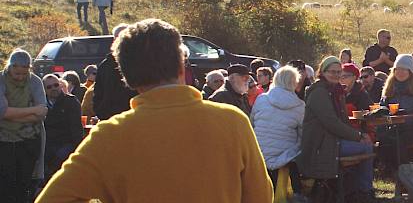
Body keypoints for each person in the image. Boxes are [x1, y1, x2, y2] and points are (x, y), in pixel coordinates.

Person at [36, 18, 273, 202]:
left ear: (126, 77)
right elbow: (261, 196)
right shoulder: (232, 122)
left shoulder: (109, 135)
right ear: (182, 65)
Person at [297, 56, 374, 202]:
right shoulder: (319, 92)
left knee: (366, 143)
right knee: (366, 147)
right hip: (321, 145)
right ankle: (364, 192)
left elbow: (342, 122)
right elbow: (331, 122)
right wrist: (358, 136)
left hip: (332, 140)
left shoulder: (336, 91)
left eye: (339, 72)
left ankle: (357, 190)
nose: (336, 75)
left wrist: (358, 135)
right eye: (332, 72)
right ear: (323, 72)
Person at [251, 66, 305, 201]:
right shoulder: (300, 106)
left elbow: (252, 123)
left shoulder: (261, 99)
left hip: (259, 153)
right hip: (285, 157)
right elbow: (303, 135)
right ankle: (297, 194)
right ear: (294, 82)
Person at [1, 50, 48, 202]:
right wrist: (33, 111)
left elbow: (43, 112)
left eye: (23, 74)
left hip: (28, 140)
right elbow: (2, 111)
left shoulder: (35, 81)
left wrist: (11, 115)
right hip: (4, 140)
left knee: (25, 182)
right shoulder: (1, 81)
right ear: (9, 68)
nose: (20, 77)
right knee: (6, 184)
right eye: (16, 74)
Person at [378, 55, 413, 171]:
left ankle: (407, 173)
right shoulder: (389, 87)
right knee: (383, 141)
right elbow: (382, 107)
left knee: (400, 143)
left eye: (404, 69)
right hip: (393, 127)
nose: (400, 72)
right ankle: (391, 172)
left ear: (410, 71)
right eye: (398, 69)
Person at [41, 74, 84, 180]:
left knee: (58, 160)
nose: (53, 88)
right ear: (44, 89)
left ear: (60, 85)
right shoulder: (40, 104)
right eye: (49, 87)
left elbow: (77, 130)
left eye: (56, 85)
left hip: (66, 143)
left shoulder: (71, 102)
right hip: (46, 144)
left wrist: (78, 150)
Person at [93, 24, 136, 120]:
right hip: (110, 119)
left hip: (134, 119)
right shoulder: (105, 65)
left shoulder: (140, 64)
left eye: (126, 37)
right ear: (114, 40)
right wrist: (101, 112)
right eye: (119, 37)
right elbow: (98, 93)